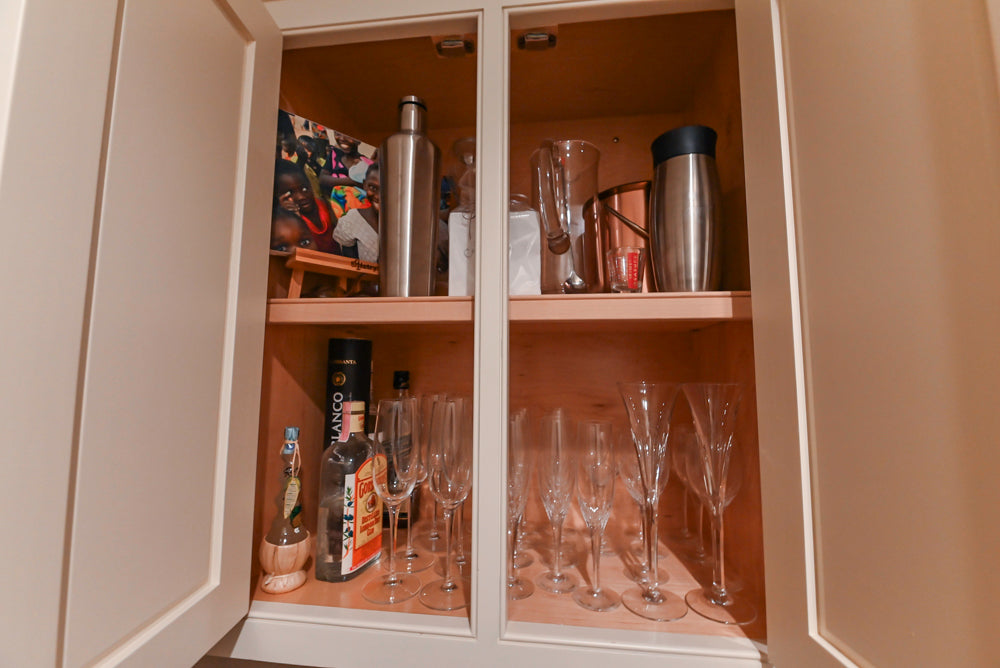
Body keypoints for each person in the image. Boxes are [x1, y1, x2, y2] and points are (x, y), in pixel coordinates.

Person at [273, 160, 341, 255]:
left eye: (304, 188)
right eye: (290, 193)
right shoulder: (289, 223)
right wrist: (285, 214)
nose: (301, 197)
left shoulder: (328, 206)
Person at [332, 162, 379, 262]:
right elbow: (350, 264)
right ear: (365, 185)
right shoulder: (352, 220)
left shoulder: (406, 221)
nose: (378, 196)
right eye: (373, 188)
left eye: (386, 189)